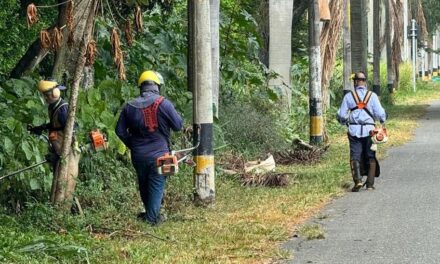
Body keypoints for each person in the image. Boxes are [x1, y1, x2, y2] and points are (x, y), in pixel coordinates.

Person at [115, 70, 183, 225]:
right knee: (156, 184)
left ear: (141, 87)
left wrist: (132, 144)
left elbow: (119, 131)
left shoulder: (129, 106)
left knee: (144, 183)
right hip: (160, 155)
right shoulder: (163, 103)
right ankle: (152, 219)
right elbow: (178, 126)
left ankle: (150, 214)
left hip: (138, 156)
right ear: (157, 86)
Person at [27, 79, 80, 195]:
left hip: (65, 149)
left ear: (55, 93)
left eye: (47, 95)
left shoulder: (63, 110)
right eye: (44, 95)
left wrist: (62, 152)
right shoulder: (53, 107)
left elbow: (72, 128)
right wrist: (38, 128)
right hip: (57, 146)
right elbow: (54, 124)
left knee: (65, 180)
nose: (45, 98)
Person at [336, 72, 387, 192]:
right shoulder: (372, 96)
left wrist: (343, 121)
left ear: (355, 82)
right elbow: (380, 113)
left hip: (354, 130)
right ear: (365, 82)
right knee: (371, 155)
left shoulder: (349, 96)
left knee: (355, 155)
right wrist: (383, 119)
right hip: (370, 131)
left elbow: (342, 115)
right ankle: (369, 184)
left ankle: (358, 180)